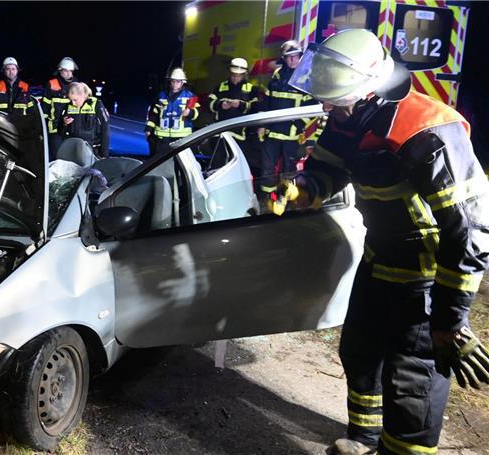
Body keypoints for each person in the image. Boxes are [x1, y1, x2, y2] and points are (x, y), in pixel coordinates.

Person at [278, 29, 489, 455]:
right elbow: (328, 168)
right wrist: (303, 189)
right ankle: (365, 438)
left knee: (412, 380)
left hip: (426, 278)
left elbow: (470, 231)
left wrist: (449, 322)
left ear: (371, 89)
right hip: (379, 259)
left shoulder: (428, 130)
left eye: (334, 101)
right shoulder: (349, 116)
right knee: (359, 351)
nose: (326, 109)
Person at [257, 40, 315, 196]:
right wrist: (262, 124)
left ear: (301, 57)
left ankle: (286, 199)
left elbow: (312, 110)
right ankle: (266, 199)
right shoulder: (277, 76)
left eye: (296, 56)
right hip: (272, 132)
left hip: (292, 135)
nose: (292, 60)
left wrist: (298, 126)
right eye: (289, 57)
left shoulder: (305, 79)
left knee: (288, 170)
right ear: (283, 58)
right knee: (267, 168)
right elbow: (267, 101)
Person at [208, 57, 261, 170]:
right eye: (233, 74)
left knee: (238, 166)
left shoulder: (251, 89)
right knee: (218, 165)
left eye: (238, 75)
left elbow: (256, 108)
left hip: (241, 136)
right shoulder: (220, 87)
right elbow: (208, 104)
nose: (235, 78)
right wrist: (220, 104)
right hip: (220, 134)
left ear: (244, 74)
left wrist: (241, 105)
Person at [145, 68, 200, 157]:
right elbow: (154, 114)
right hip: (162, 137)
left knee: (179, 163)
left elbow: (197, 113)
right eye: (173, 81)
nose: (175, 84)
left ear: (183, 82)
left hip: (181, 138)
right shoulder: (161, 95)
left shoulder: (190, 96)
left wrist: (190, 112)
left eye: (178, 82)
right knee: (159, 162)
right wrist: (148, 129)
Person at [52, 82, 109, 158]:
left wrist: (104, 155)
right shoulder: (69, 106)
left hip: (91, 151)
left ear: (83, 95)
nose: (73, 103)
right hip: (73, 150)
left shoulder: (97, 105)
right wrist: (64, 124)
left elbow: (105, 131)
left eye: (75, 100)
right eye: (71, 100)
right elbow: (61, 133)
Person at [43, 57, 80, 153]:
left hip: (71, 127)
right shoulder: (51, 84)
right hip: (54, 128)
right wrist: (42, 127)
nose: (69, 74)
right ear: (60, 71)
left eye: (71, 71)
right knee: (56, 155)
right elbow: (45, 107)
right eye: (66, 71)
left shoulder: (76, 84)